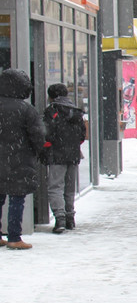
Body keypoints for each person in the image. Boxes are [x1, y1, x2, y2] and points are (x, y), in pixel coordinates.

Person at [0, 69, 46, 250]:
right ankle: (14, 237)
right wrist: (38, 151)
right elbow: (37, 135)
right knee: (17, 199)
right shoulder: (26, 109)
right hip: (18, 160)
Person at [43, 83, 87, 233]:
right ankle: (70, 218)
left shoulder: (52, 111)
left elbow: (47, 133)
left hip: (57, 155)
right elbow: (82, 135)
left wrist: (48, 145)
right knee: (69, 188)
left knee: (55, 187)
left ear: (52, 96)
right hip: (73, 155)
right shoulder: (75, 111)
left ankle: (59, 219)